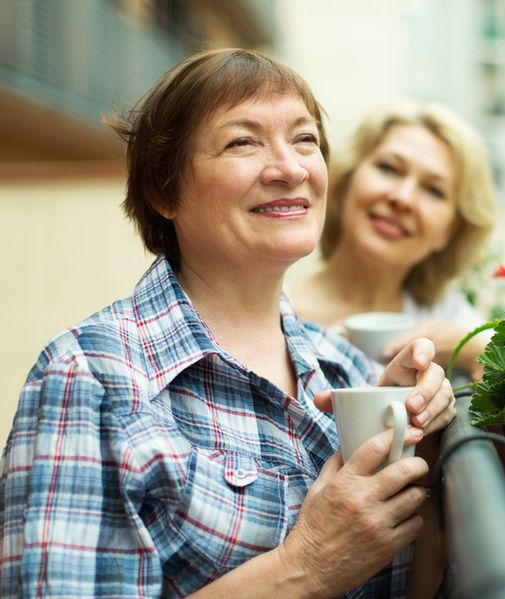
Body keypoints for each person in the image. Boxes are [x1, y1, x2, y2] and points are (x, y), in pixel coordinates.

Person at [0, 48, 455, 598]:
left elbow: (420, 581)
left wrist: (420, 438)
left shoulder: (346, 367)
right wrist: (304, 565)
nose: (290, 168)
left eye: (305, 139)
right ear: (163, 191)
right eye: (243, 141)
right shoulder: (90, 377)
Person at [288, 102, 498, 380]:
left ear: (451, 231)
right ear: (346, 180)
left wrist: (470, 347)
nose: (403, 198)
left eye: (434, 190)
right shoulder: (275, 310)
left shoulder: (447, 318)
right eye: (389, 168)